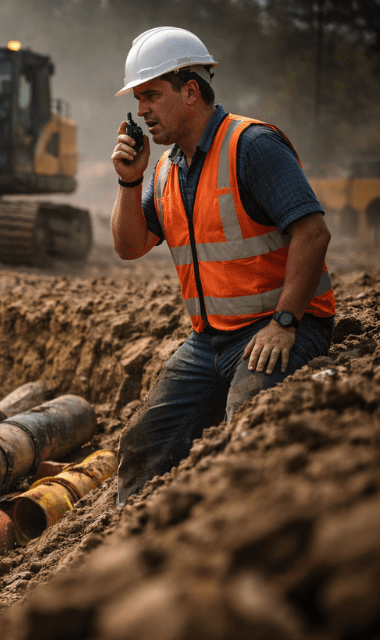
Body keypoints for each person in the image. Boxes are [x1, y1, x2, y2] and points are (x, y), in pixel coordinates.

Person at [110, 27, 335, 505]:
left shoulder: (253, 145)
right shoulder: (168, 169)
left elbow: (312, 233)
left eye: (151, 94)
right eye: (138, 98)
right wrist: (130, 183)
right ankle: (125, 555)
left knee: (249, 425)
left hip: (281, 328)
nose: (142, 109)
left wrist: (285, 322)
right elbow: (129, 247)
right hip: (209, 340)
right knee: (143, 444)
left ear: (191, 91)